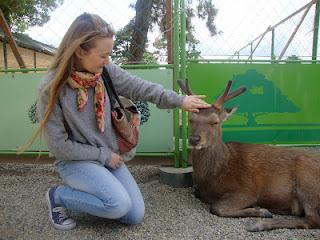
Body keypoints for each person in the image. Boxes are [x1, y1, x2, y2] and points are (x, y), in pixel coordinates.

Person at [21, 12, 210, 230]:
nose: (108, 60)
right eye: (103, 55)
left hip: (108, 157)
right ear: (80, 51)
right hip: (75, 160)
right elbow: (59, 146)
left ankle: (102, 195)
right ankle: (59, 196)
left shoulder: (105, 72)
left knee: (134, 215)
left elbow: (141, 87)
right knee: (117, 204)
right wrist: (103, 155)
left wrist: (180, 100)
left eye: (109, 55)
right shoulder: (51, 88)